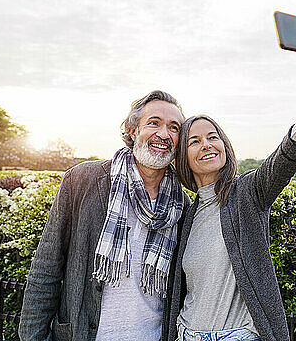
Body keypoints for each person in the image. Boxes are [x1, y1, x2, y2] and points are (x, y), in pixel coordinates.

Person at [163, 17, 296, 341]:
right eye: (194, 141)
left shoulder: (247, 193)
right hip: (186, 334)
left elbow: (290, 152)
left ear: (225, 144)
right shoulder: (185, 212)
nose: (206, 144)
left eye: (213, 136)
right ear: (184, 157)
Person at [19, 90, 191, 341]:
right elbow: (47, 266)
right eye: (153, 123)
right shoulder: (83, 180)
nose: (163, 134)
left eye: (173, 128)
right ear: (133, 131)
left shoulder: (182, 203)